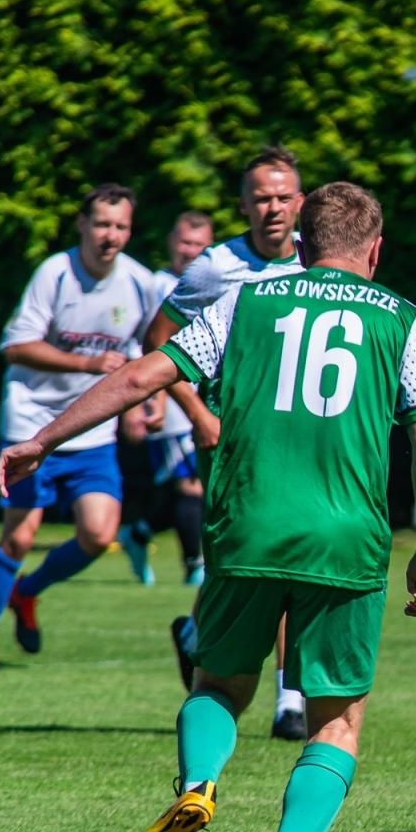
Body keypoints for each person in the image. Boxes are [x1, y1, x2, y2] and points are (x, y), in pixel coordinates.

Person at [0, 181, 416, 832]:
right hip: (347, 538)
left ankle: (200, 783)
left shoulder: (248, 301)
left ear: (301, 244)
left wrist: (42, 439)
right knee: (335, 719)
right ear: (375, 250)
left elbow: (145, 372)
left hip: (246, 528)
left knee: (217, 685)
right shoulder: (406, 319)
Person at [0, 183, 156, 673]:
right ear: (83, 225)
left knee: (99, 532)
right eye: (102, 224)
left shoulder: (139, 283)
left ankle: (26, 592)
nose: (110, 235)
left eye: (121, 226)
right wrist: (88, 365)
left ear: (130, 231)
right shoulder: (55, 272)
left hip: (90, 433)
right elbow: (16, 346)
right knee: (20, 537)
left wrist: (137, 407)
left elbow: (140, 358)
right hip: (31, 424)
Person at [150, 147, 310, 739]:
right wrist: (195, 410)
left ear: (301, 202)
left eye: (283, 196)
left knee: (293, 561)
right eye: (261, 198)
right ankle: (195, 635)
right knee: (237, 570)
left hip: (294, 443)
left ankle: (289, 700)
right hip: (230, 442)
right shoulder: (216, 268)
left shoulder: (318, 263)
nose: (273, 208)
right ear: (244, 205)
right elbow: (157, 339)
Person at [118, 211, 216, 585]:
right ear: (172, 244)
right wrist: (147, 402)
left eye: (199, 244)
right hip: (173, 401)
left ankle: (139, 532)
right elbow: (145, 342)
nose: (191, 251)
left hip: (203, 395)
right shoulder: (157, 285)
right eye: (185, 242)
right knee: (190, 484)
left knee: (195, 483)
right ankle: (194, 565)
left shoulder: (213, 283)